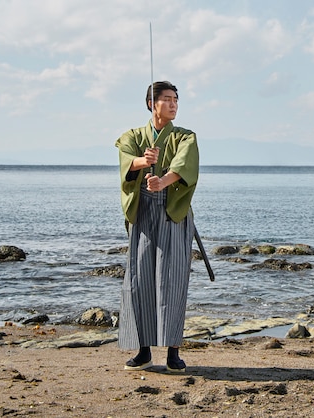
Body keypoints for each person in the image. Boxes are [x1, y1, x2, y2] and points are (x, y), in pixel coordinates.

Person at [114, 81, 199, 373]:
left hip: (172, 213)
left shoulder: (185, 136)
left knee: (173, 279)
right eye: (167, 99)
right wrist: (142, 161)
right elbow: (126, 160)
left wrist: (162, 180)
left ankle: (173, 351)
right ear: (152, 104)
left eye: (176, 99)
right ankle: (144, 351)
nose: (173, 104)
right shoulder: (133, 136)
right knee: (140, 279)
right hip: (143, 213)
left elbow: (185, 164)